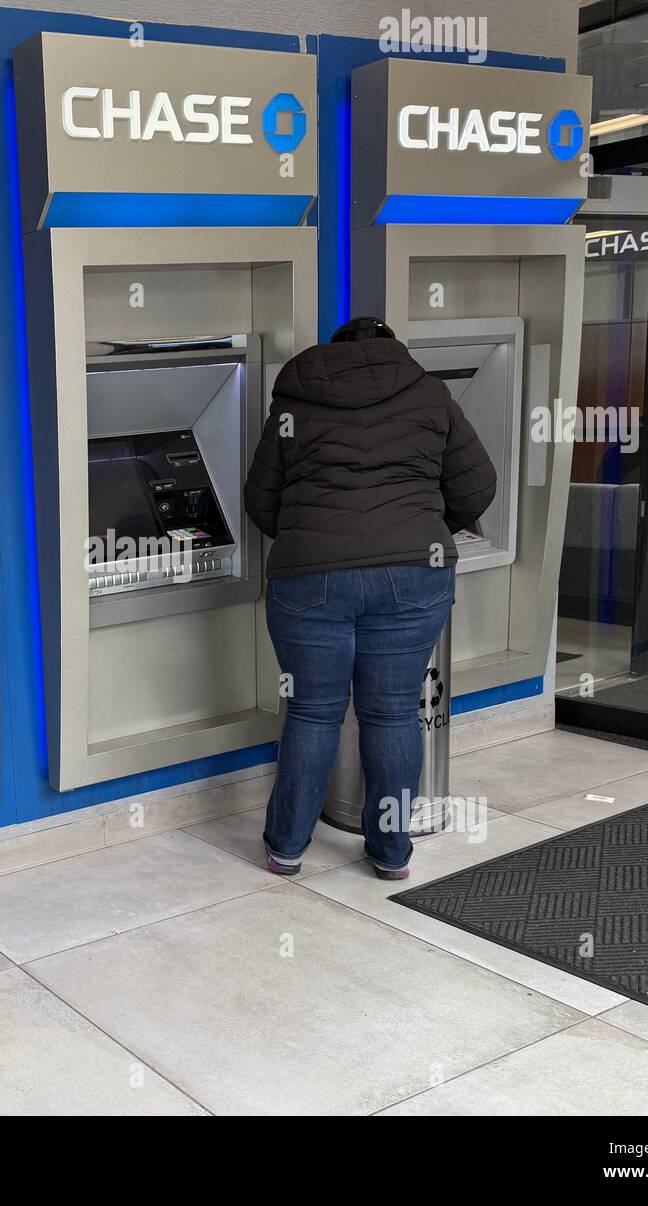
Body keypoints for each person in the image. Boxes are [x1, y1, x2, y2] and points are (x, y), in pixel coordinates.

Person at [244, 317, 496, 880]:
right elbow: (477, 485)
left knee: (311, 712)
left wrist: (305, 534)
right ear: (391, 349)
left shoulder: (293, 400)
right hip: (413, 575)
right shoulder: (431, 394)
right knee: (391, 714)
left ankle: (286, 847)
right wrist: (423, 527)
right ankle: (390, 853)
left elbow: (259, 500)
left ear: (331, 356)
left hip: (310, 579)